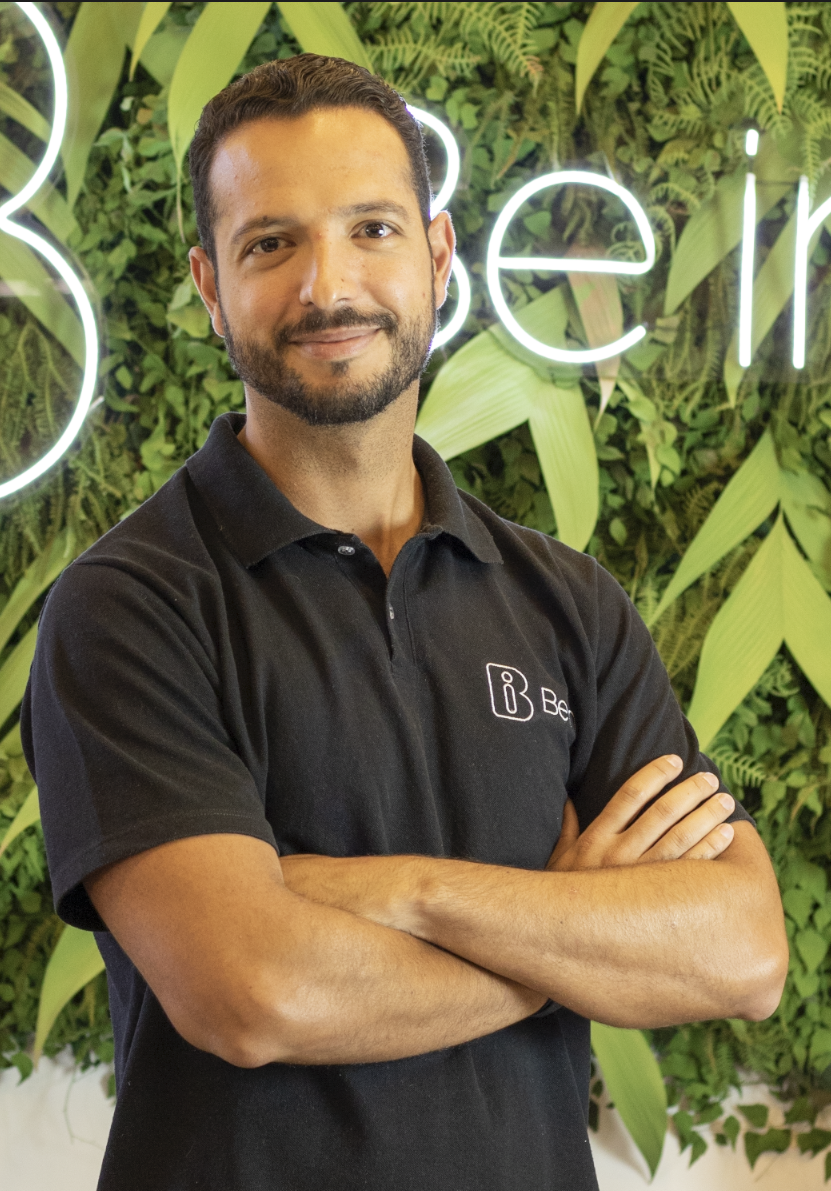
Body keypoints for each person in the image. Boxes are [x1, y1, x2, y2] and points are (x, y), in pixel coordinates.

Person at [22, 54, 787, 1191]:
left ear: (435, 256)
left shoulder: (565, 603)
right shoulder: (130, 606)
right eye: (270, 243)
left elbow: (740, 949)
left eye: (371, 227)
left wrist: (396, 890)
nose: (327, 284)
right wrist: (569, 937)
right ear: (207, 285)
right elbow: (256, 992)